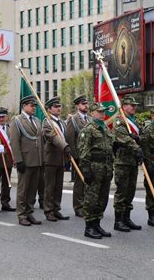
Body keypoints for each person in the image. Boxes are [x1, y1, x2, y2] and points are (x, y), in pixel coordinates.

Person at [78, 103, 114, 239]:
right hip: (94, 167)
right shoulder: (88, 129)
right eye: (99, 112)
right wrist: (85, 169)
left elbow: (109, 147)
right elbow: (83, 150)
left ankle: (97, 223)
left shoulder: (105, 128)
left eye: (103, 111)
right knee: (91, 199)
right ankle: (89, 227)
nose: (102, 114)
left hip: (105, 167)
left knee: (102, 198)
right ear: (92, 113)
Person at [10, 95, 44, 226]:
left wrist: (42, 159)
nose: (34, 108)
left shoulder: (37, 120)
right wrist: (18, 160)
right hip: (25, 160)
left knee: (32, 189)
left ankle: (29, 212)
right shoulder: (17, 120)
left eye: (34, 106)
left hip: (36, 160)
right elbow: (14, 141)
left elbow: (40, 141)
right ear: (24, 106)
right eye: (31, 105)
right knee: (23, 190)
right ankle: (21, 215)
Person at [112, 95, 143, 232]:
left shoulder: (135, 120)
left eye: (135, 105)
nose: (134, 107)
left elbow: (142, 136)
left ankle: (127, 218)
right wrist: (136, 147)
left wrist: (138, 138)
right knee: (122, 192)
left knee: (130, 191)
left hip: (133, 161)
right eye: (132, 105)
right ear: (124, 107)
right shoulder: (119, 121)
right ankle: (118, 221)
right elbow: (122, 138)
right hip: (122, 162)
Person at [42, 97, 71, 222]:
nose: (58, 108)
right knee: (50, 186)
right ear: (49, 109)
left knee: (58, 186)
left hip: (61, 159)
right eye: (55, 107)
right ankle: (48, 210)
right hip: (50, 159)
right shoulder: (47, 122)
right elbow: (52, 137)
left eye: (59, 106)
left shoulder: (62, 123)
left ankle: (56, 209)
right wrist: (65, 146)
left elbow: (66, 137)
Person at [65, 95, 90, 218]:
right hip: (79, 156)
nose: (86, 105)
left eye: (86, 103)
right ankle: (78, 207)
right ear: (77, 106)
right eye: (83, 104)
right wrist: (74, 157)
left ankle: (86, 204)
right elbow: (70, 138)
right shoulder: (73, 119)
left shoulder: (89, 119)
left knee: (88, 181)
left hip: (89, 156)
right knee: (79, 182)